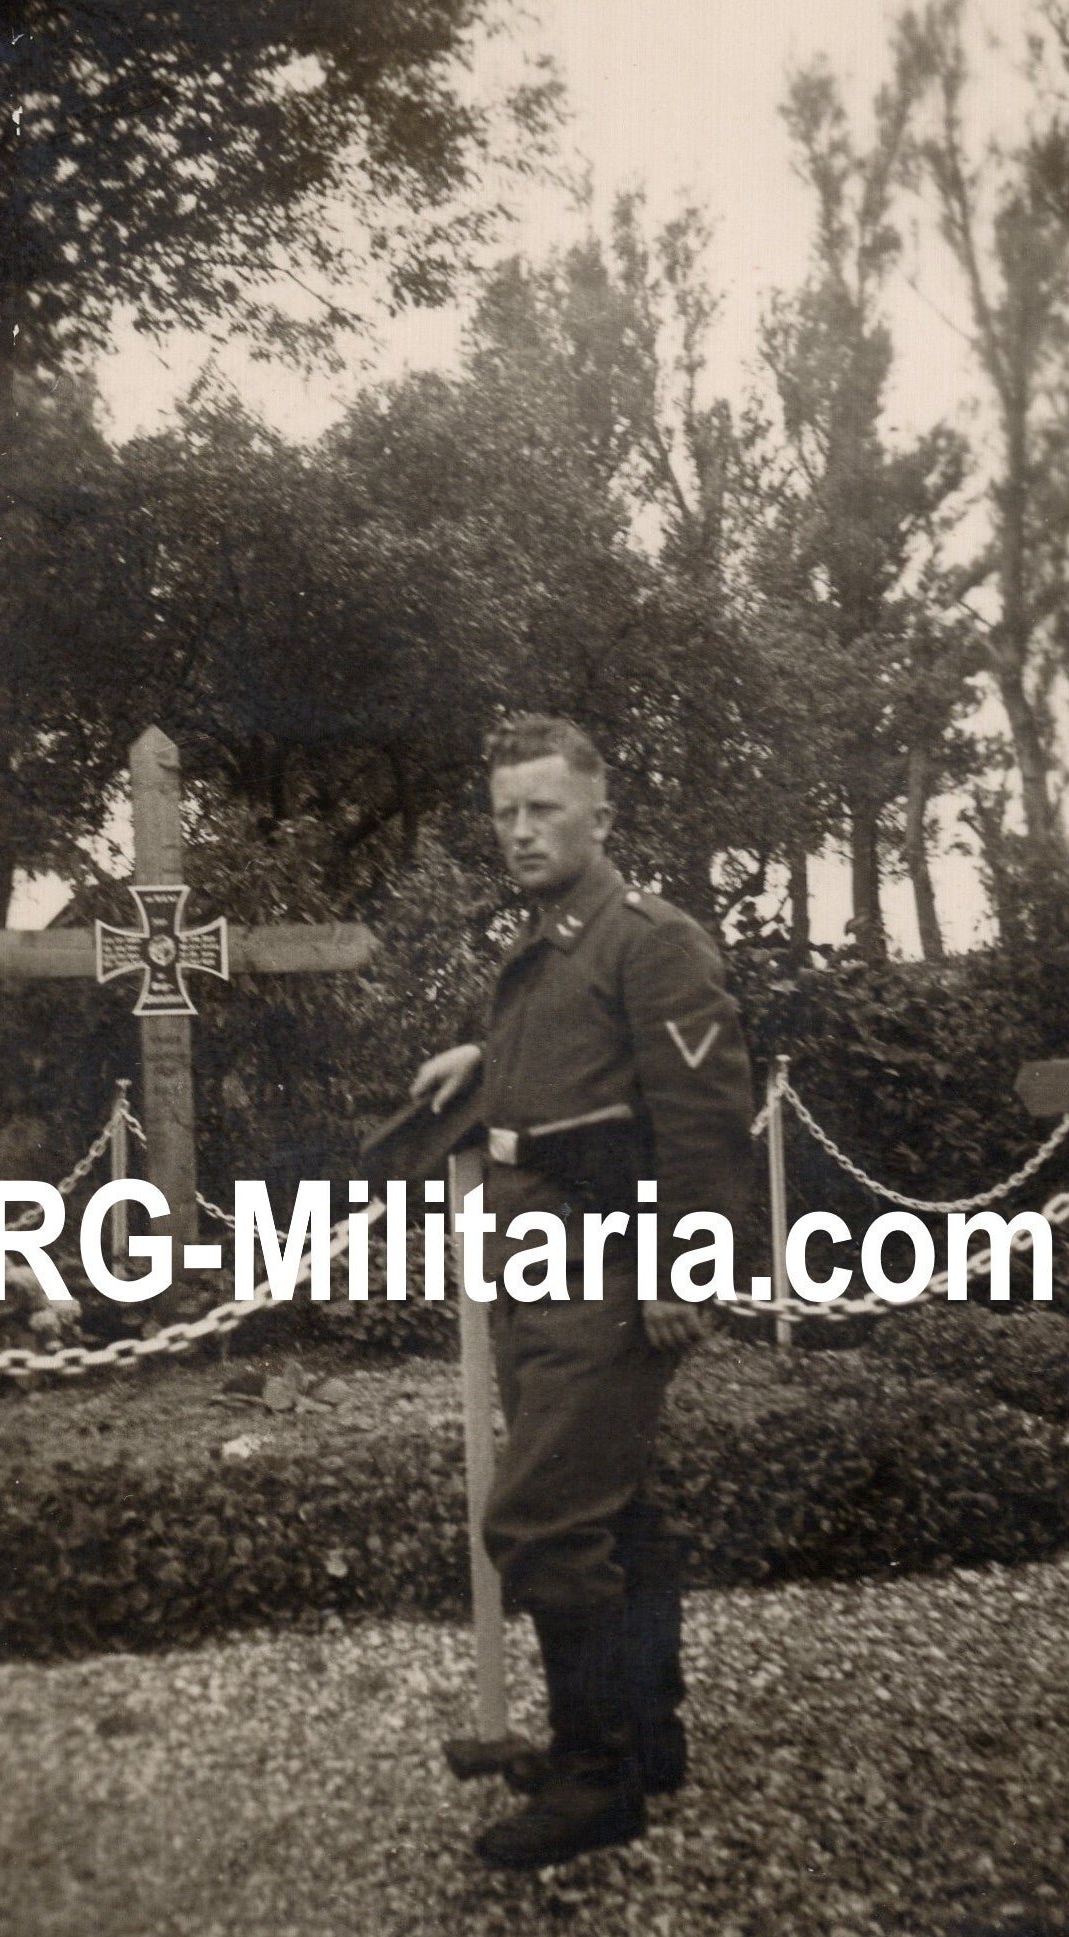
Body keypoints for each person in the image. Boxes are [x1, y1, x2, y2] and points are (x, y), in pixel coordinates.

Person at [412, 714, 753, 1870]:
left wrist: (681, 1269)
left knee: (543, 1516)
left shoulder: (647, 939)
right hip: (542, 1262)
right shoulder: (553, 942)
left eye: (542, 808)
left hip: (611, 1268)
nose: (518, 829)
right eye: (504, 810)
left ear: (599, 815)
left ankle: (594, 1774)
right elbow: (562, 1085)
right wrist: (480, 1061)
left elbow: (704, 1124)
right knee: (614, 1507)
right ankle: (647, 1738)